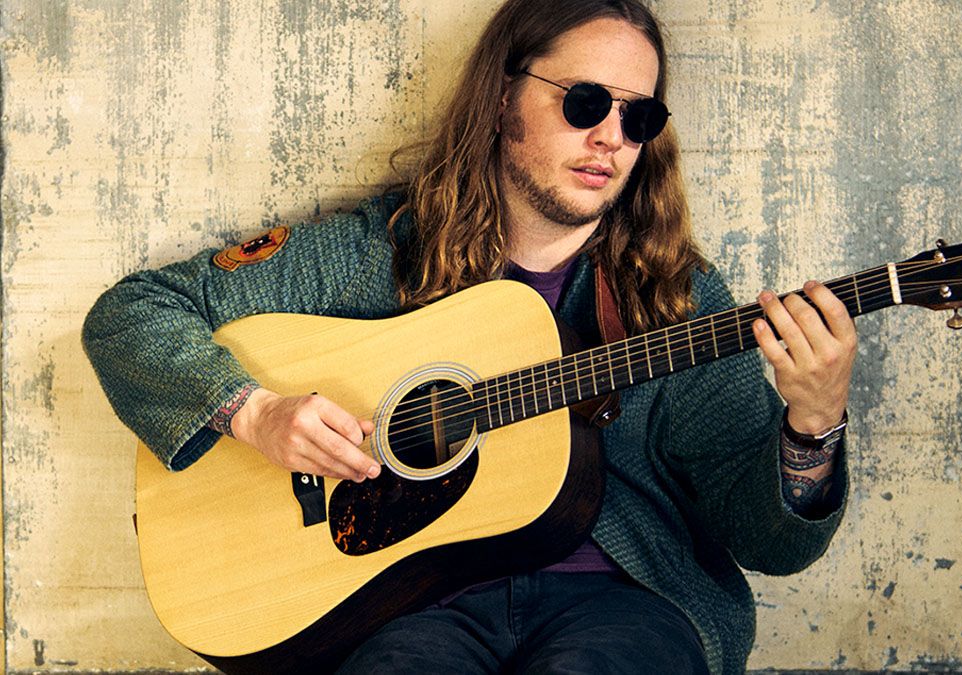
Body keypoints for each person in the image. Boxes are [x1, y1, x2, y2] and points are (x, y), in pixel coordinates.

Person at [83, 0, 857, 672]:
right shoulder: (372, 253)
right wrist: (253, 412)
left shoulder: (676, 296)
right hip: (410, 608)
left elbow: (771, 543)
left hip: (625, 602)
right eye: (585, 102)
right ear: (500, 99)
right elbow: (133, 312)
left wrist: (813, 427)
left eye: (638, 116)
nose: (611, 138)